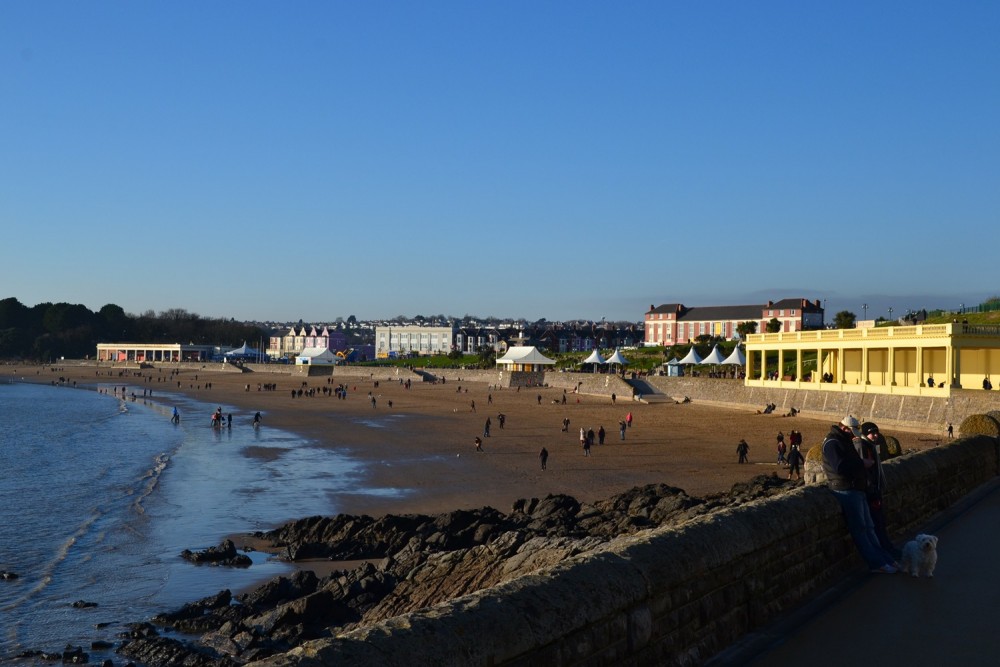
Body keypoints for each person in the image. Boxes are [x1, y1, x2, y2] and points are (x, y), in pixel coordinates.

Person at [822, 415, 898, 573]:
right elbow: (839, 467)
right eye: (852, 431)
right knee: (861, 529)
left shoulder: (843, 441)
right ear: (844, 428)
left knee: (869, 527)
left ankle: (885, 560)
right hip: (845, 489)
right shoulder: (832, 443)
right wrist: (862, 463)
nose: (854, 434)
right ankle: (877, 564)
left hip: (857, 488)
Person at [859, 422, 896, 556]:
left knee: (879, 523)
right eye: (872, 433)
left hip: (876, 490)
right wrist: (872, 489)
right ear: (865, 433)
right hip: (871, 492)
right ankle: (885, 551)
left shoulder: (870, 445)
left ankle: (887, 549)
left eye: (876, 432)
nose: (875, 435)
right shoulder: (864, 446)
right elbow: (866, 471)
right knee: (877, 524)